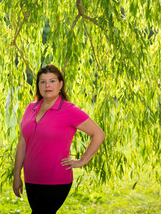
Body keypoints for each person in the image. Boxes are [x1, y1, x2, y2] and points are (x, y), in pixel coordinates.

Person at [13, 64, 105, 213]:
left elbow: (98, 134)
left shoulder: (69, 110)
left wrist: (82, 161)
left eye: (52, 81)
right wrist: (17, 175)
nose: (47, 85)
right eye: (42, 81)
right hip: (32, 178)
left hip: (56, 180)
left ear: (61, 84)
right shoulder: (31, 108)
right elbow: (22, 143)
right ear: (38, 85)